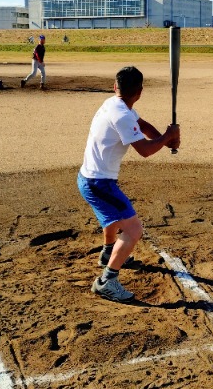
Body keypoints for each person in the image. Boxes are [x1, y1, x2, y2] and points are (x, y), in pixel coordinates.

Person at [77, 66, 180, 302]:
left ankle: (107, 253)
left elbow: (143, 126)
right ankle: (107, 281)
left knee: (114, 218)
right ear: (140, 92)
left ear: (116, 87)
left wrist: (167, 140)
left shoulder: (115, 104)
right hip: (98, 184)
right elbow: (143, 150)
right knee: (133, 230)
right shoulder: (122, 115)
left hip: (90, 178)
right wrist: (167, 136)